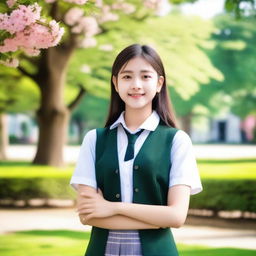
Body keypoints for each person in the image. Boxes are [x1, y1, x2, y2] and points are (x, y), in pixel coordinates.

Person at [70, 44, 203, 256]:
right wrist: (157, 219)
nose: (136, 85)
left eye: (145, 76)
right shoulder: (94, 139)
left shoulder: (177, 140)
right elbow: (88, 215)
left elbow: (177, 217)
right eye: (127, 77)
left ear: (159, 83)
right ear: (115, 83)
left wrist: (113, 207)